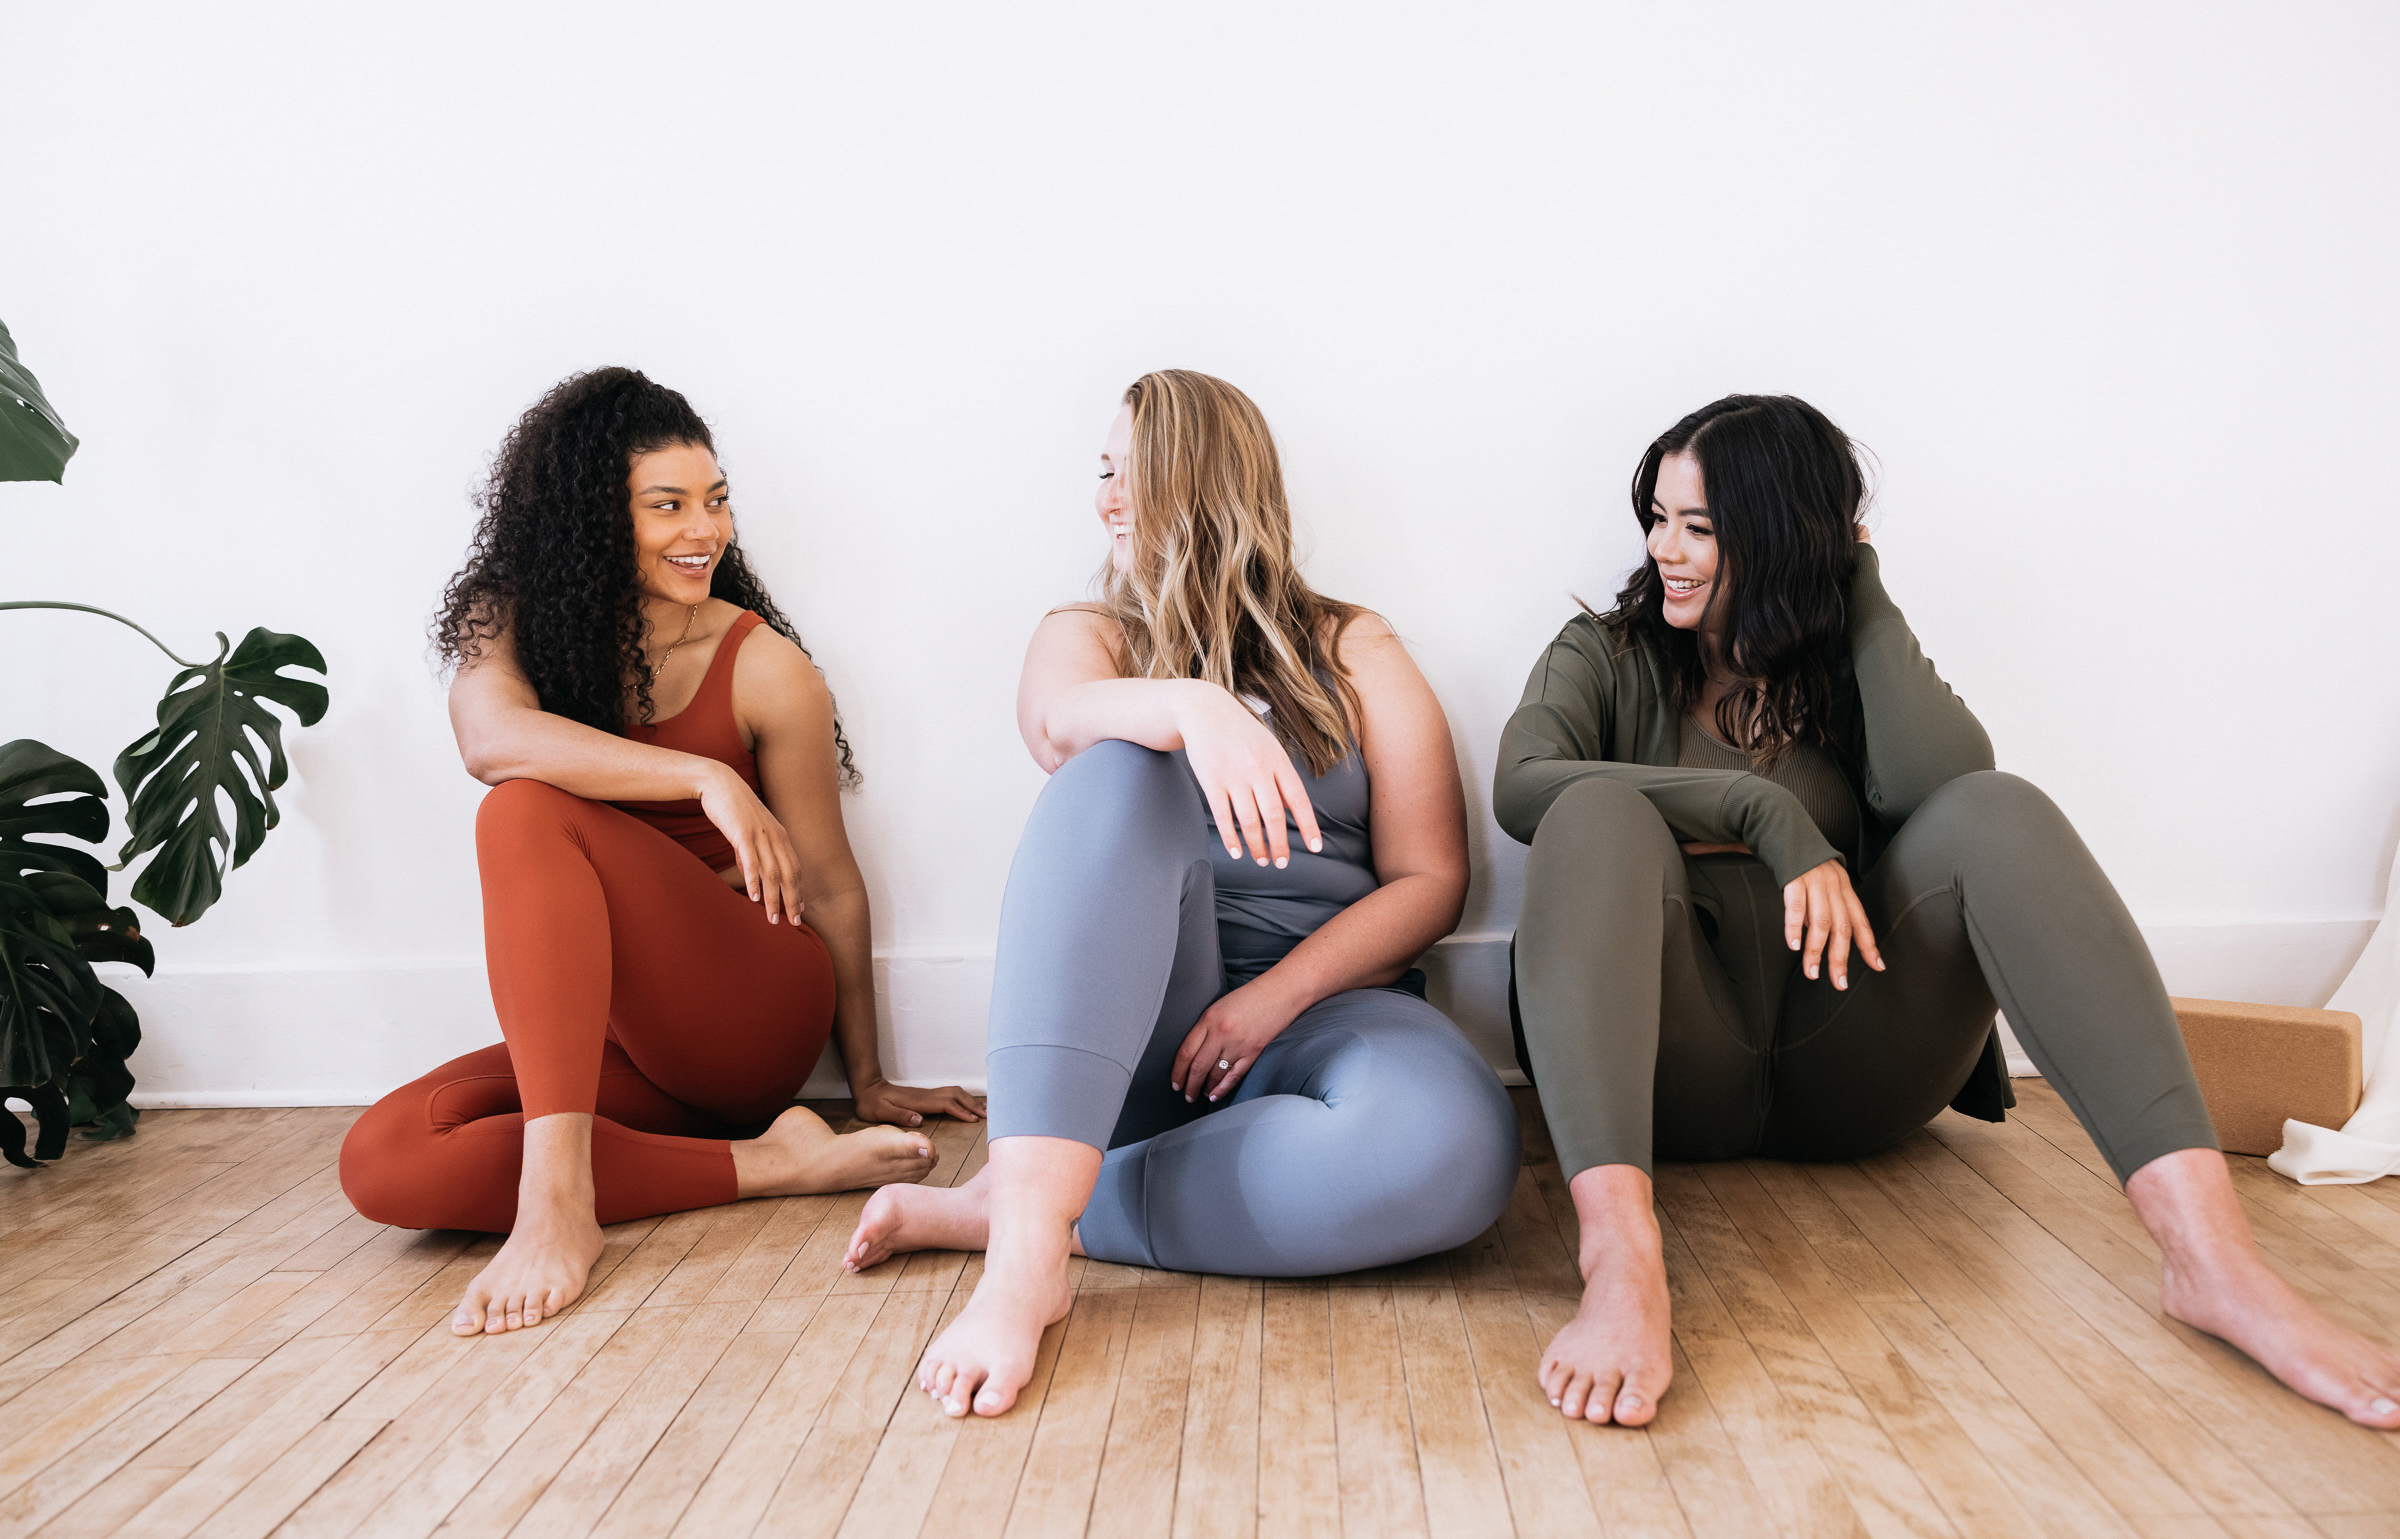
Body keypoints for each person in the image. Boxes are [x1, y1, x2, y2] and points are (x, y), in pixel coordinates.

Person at [1498, 393, 2400, 1430]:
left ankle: (2216, 1263)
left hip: (1851, 1062)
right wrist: (1764, 810)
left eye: (1699, 527)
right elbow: (1523, 786)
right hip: (1672, 1078)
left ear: (1789, 537)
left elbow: (1947, 778)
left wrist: (1861, 581)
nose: (1665, 549)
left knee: (1995, 807)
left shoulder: (1847, 663)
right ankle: (1620, 1261)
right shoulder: (1604, 652)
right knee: (1592, 808)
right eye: (1657, 517)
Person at [842, 369, 1519, 1418]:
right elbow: (1055, 723)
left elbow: (1431, 879)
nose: (1107, 498)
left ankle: (1025, 1203)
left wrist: (1277, 994)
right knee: (1119, 758)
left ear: (1208, 482)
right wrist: (1191, 705)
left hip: (1326, 1009)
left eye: (1134, 474)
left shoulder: (1356, 647)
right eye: (1103, 473)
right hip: (1145, 1022)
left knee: (1456, 1151)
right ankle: (1025, 1261)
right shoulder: (1093, 635)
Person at [339, 367, 981, 1337]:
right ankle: (775, 1163)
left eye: (716, 500)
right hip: (621, 1036)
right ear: (592, 517)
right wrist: (702, 779)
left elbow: (834, 886)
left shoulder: (764, 665)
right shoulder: (506, 618)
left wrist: (869, 1075)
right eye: (667, 504)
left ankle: (559, 1203)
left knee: (520, 813)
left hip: (752, 1003)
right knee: (384, 1158)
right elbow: (489, 736)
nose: (704, 530)